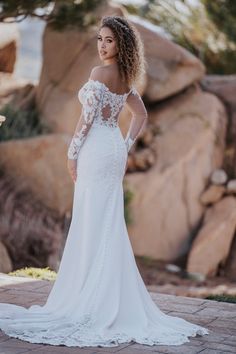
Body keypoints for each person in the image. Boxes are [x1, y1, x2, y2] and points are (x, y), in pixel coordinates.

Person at [0, 15, 209, 348]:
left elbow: (86, 120)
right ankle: (103, 291)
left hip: (96, 150)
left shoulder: (99, 74)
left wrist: (71, 153)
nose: (102, 46)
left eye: (108, 40)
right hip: (113, 149)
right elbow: (139, 115)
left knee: (92, 219)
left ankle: (91, 295)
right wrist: (125, 145)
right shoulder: (126, 76)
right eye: (99, 39)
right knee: (106, 220)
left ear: (121, 43)